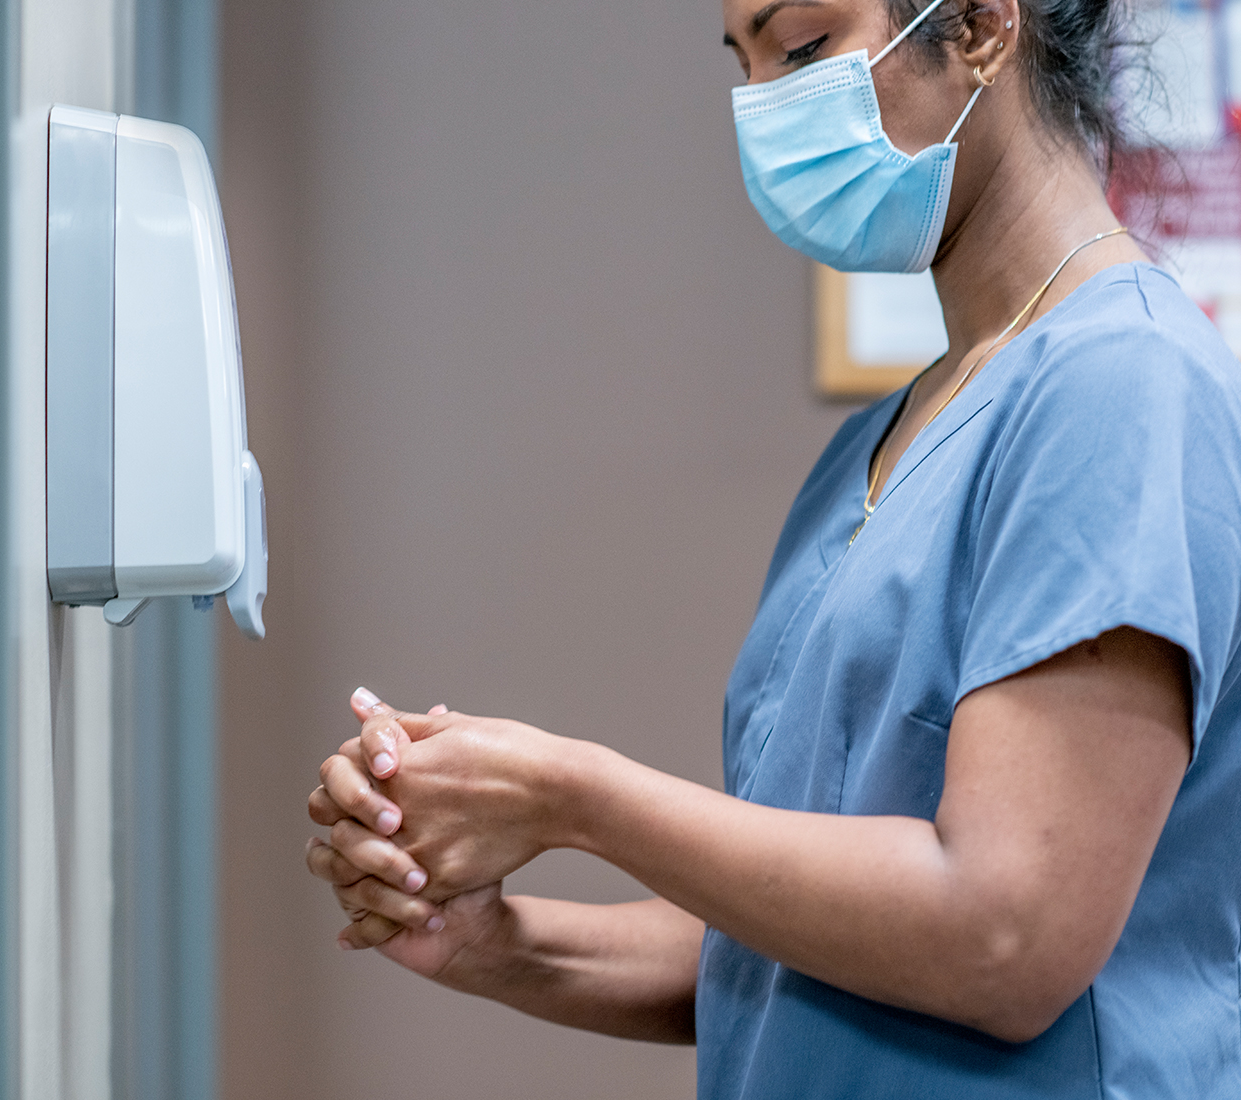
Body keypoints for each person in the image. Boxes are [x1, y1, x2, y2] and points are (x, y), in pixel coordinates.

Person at [305, 0, 1241, 1093]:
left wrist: (573, 795)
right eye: (742, 64)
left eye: (801, 49)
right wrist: (499, 941)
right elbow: (799, 939)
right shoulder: (886, 440)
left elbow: (1001, 932)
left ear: (984, 26)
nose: (766, 107)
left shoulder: (1121, 383)